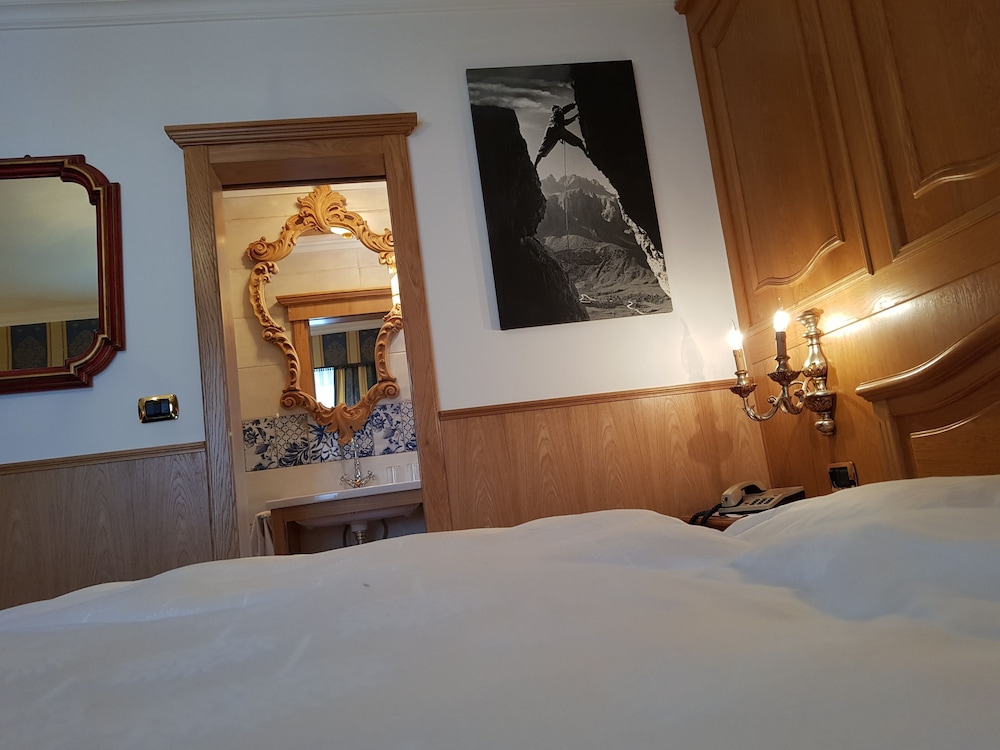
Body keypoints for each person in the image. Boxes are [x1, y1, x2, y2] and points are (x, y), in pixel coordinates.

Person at [533, 102, 589, 167]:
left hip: (552, 131)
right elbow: (565, 118)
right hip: (558, 130)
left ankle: (535, 165)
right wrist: (574, 107)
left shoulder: (553, 116)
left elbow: (565, 120)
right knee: (578, 142)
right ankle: (586, 152)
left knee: (542, 149)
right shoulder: (557, 110)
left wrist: (574, 113)